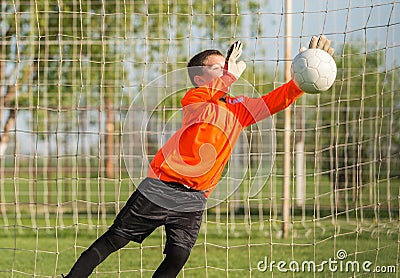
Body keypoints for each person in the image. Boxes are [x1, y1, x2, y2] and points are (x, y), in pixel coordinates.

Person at [63, 35, 334, 277]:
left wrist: (300, 81)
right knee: (115, 239)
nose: (225, 68)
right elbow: (209, 96)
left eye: (226, 64)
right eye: (217, 66)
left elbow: (276, 100)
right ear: (199, 77)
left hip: (195, 196)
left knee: (179, 255)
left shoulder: (238, 108)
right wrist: (228, 76)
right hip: (160, 186)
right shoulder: (194, 99)